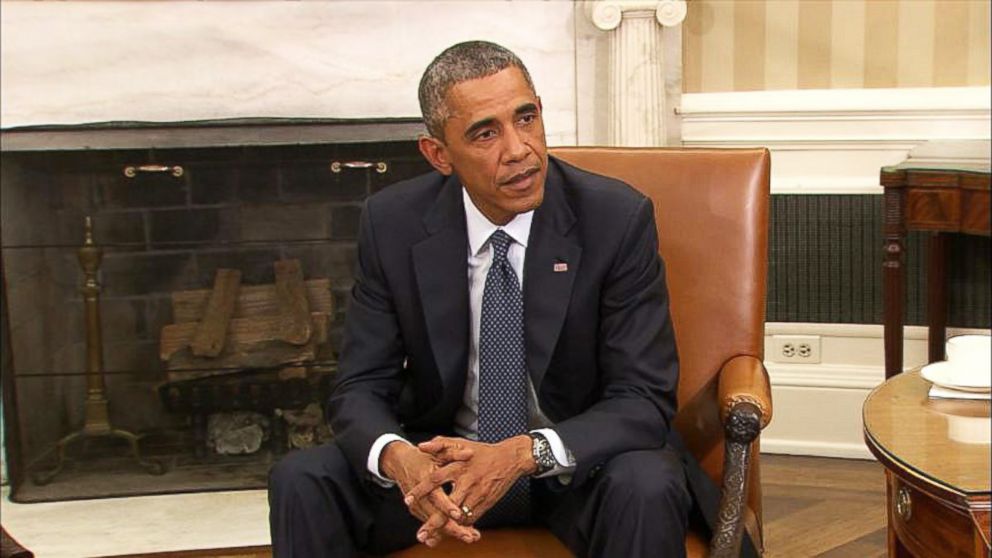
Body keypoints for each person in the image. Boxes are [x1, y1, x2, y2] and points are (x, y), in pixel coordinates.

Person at [268, 40, 696, 558]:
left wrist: (523, 453)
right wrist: (400, 458)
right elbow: (359, 386)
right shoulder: (392, 224)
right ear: (439, 155)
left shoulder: (615, 219)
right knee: (302, 477)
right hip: (440, 476)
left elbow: (643, 399)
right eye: (485, 133)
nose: (518, 150)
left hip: (569, 471)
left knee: (647, 482)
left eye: (527, 118)